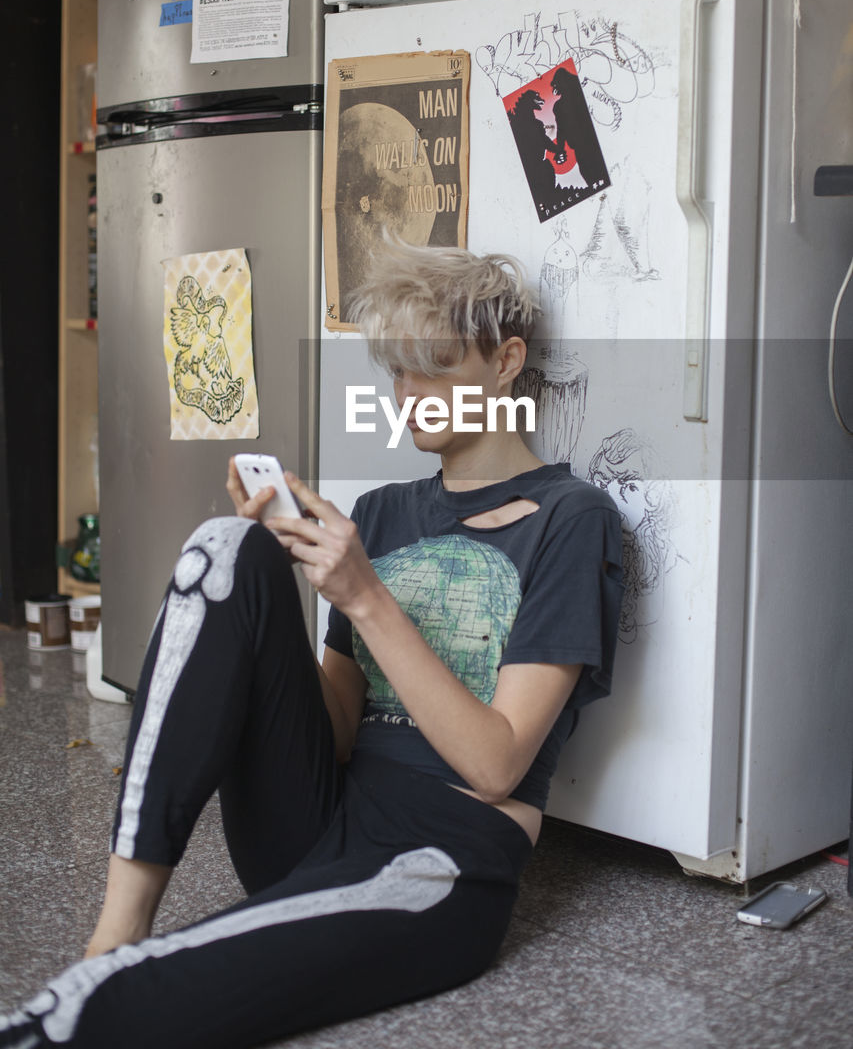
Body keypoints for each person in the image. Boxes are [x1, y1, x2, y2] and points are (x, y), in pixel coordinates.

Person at [0, 240, 623, 1049]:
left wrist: (364, 595)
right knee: (226, 548)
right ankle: (116, 928)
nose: (409, 394)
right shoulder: (386, 511)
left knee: (125, 1003)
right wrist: (286, 592)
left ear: (505, 361)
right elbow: (331, 731)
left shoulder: (571, 520)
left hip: (437, 857)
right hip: (312, 818)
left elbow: (496, 764)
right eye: (397, 372)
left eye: (431, 365)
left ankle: (93, 987)